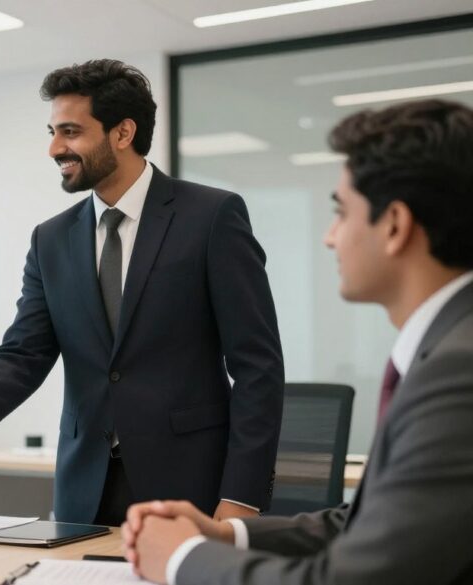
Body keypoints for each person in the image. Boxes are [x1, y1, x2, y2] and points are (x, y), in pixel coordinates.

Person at [0, 59, 285, 526]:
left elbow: (258, 367)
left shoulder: (211, 217)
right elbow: (24, 353)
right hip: (85, 489)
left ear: (123, 133)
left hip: (192, 487)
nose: (53, 148)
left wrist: (242, 495)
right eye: (52, 131)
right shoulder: (51, 239)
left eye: (70, 132)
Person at [123, 99, 473, 585]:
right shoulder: (448, 348)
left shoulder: (459, 373)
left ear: (394, 225)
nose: (330, 237)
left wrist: (182, 559)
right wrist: (227, 536)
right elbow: (365, 525)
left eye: (341, 213)